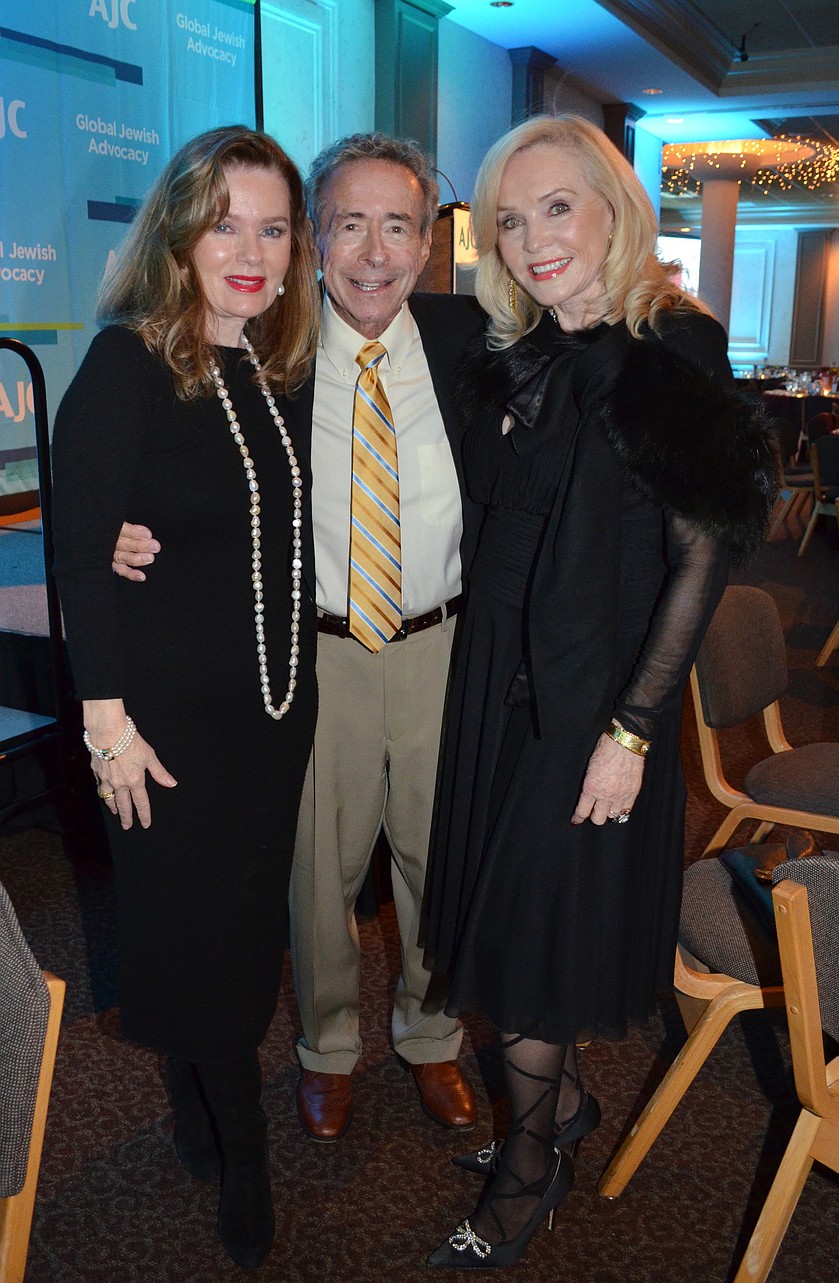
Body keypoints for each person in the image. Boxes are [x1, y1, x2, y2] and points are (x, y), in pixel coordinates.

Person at [423, 115, 778, 1270]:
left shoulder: (667, 347)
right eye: (511, 220)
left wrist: (631, 729)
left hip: (594, 704)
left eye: (556, 207)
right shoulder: (526, 349)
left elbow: (702, 554)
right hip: (505, 686)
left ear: (613, 206)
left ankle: (531, 1168)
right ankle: (557, 1105)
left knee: (528, 938)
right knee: (503, 912)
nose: (532, 240)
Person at [111, 132, 484, 1144]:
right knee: (317, 872)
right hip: (310, 655)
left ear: (424, 240)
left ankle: (433, 1034)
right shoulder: (272, 356)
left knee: (437, 858)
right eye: (348, 224)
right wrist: (117, 521)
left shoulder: (470, 342)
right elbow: (177, 452)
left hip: (445, 648)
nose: (372, 250)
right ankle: (326, 1045)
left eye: (396, 224)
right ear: (315, 241)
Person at [51, 126, 320, 1271]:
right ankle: (241, 1139)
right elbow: (76, 553)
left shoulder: (278, 361)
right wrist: (105, 724)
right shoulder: (126, 361)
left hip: (271, 718)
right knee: (191, 930)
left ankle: (203, 1104)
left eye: (271, 227)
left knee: (247, 930)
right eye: (226, 224)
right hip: (159, 726)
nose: (250, 251)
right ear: (180, 229)